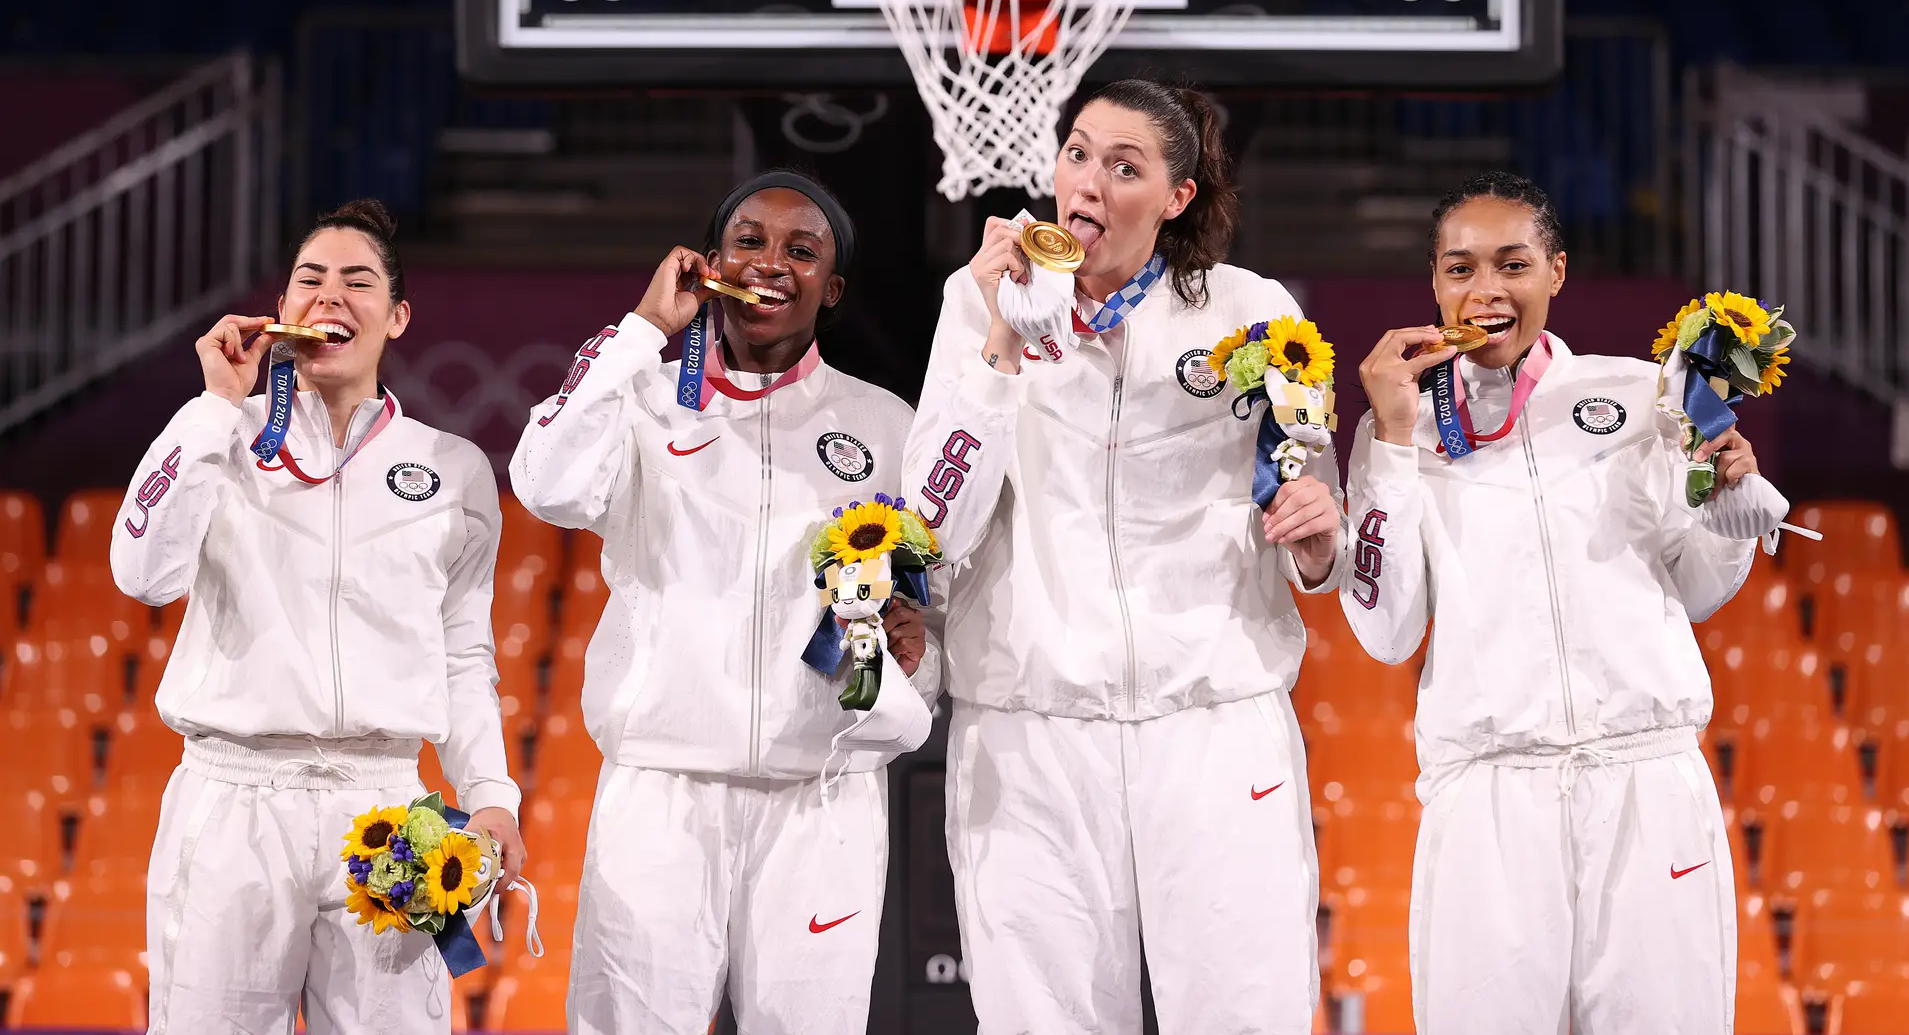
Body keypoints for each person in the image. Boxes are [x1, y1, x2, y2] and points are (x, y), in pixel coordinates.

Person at [903, 79, 1346, 1034]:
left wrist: (1320, 537)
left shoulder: (1248, 308)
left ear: (1177, 197)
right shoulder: (980, 298)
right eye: (1076, 153)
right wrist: (999, 346)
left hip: (1214, 725)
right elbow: (937, 524)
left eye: (1124, 166)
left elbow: (1314, 515)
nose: (1087, 182)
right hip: (1032, 725)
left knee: (1247, 1016)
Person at [509, 170, 941, 1035]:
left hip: (823, 800)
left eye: (801, 250)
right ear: (709, 263)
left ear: (834, 287)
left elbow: (935, 613)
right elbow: (542, 483)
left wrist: (918, 658)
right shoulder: (638, 400)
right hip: (662, 793)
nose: (770, 263)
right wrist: (639, 334)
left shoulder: (889, 426)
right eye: (748, 241)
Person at [1340, 172, 1764, 1034]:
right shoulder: (1400, 428)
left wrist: (1728, 509)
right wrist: (1387, 436)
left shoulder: (1643, 394)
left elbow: (1700, 586)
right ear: (1433, 283)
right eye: (1459, 269)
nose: (1485, 291)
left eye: (1513, 264)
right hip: (1488, 797)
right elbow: (1387, 632)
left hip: (1646, 782)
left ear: (1557, 272)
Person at [110, 199, 526, 1034]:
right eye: (310, 279)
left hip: (389, 813)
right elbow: (142, 573)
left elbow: (461, 654)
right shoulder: (217, 437)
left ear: (398, 316)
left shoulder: (451, 469)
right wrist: (215, 406)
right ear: (282, 309)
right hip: (234, 801)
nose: (330, 296)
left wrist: (489, 793)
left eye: (358, 282)